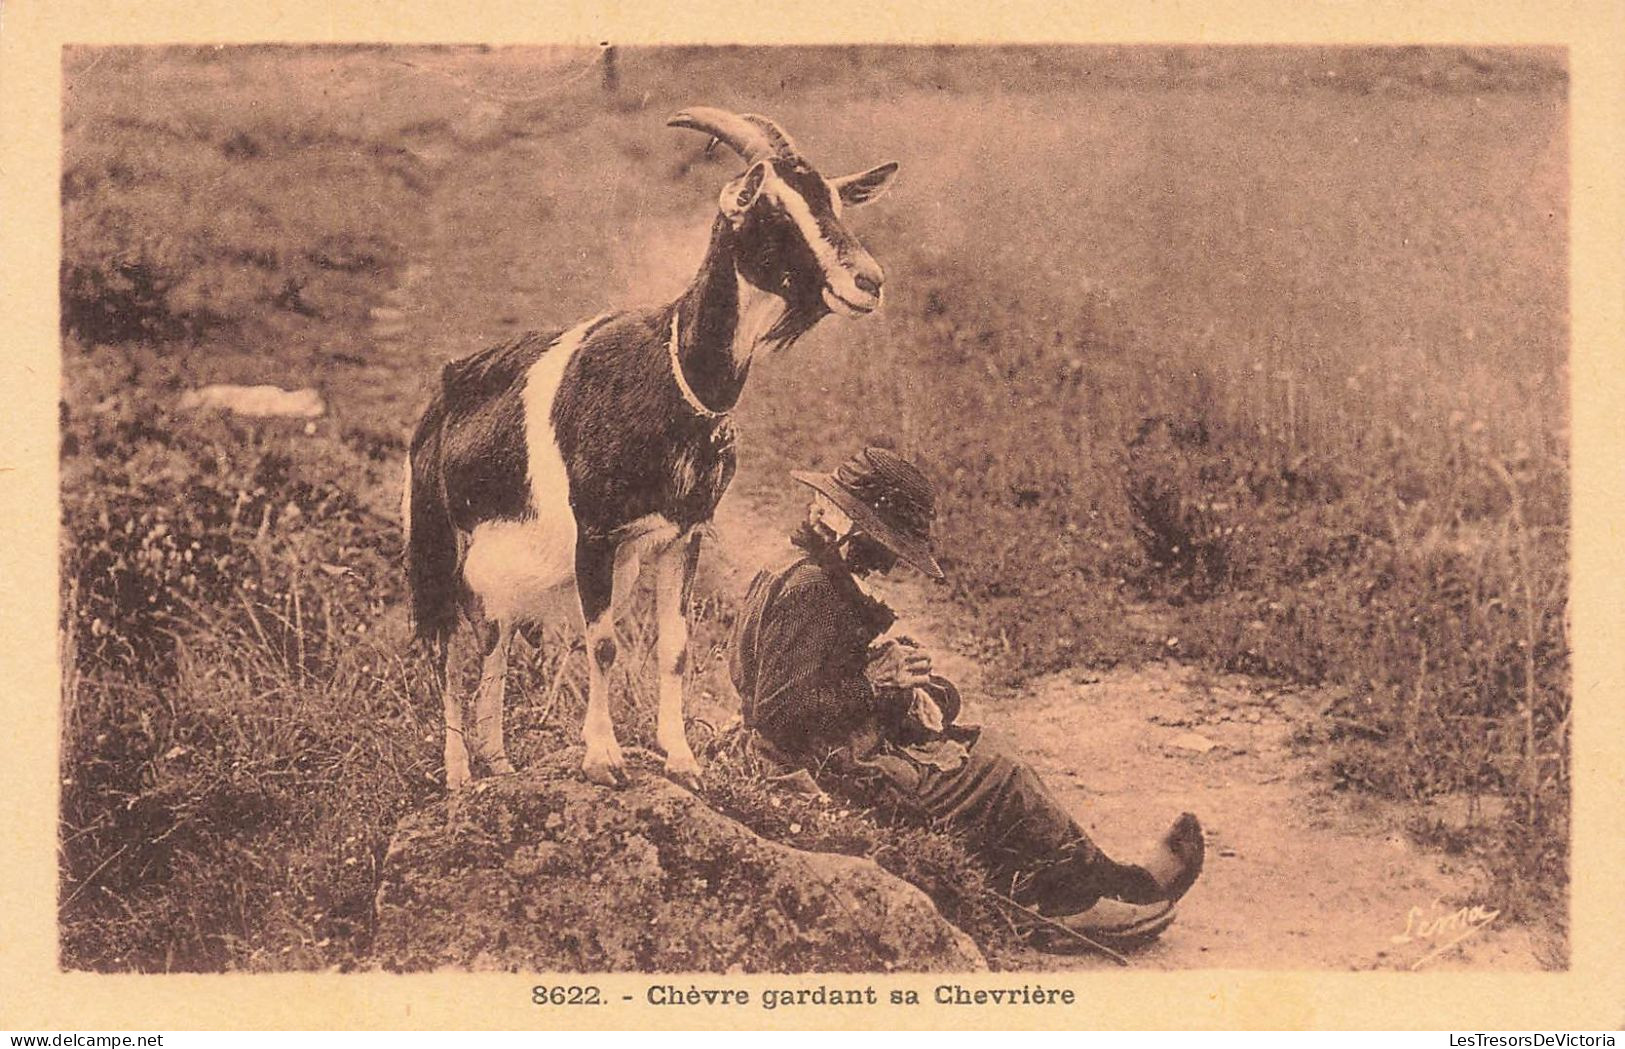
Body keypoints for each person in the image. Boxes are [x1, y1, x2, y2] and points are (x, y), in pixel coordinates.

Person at [729, 446, 1205, 950]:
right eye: (886, 544)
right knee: (998, 775)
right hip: (813, 769)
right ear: (852, 527)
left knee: (971, 742)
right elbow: (777, 711)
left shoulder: (798, 567)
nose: (889, 562)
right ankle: (1072, 904)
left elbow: (804, 681)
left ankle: (1113, 881)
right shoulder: (812, 590)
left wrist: (901, 683)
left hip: (820, 749)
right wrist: (876, 684)